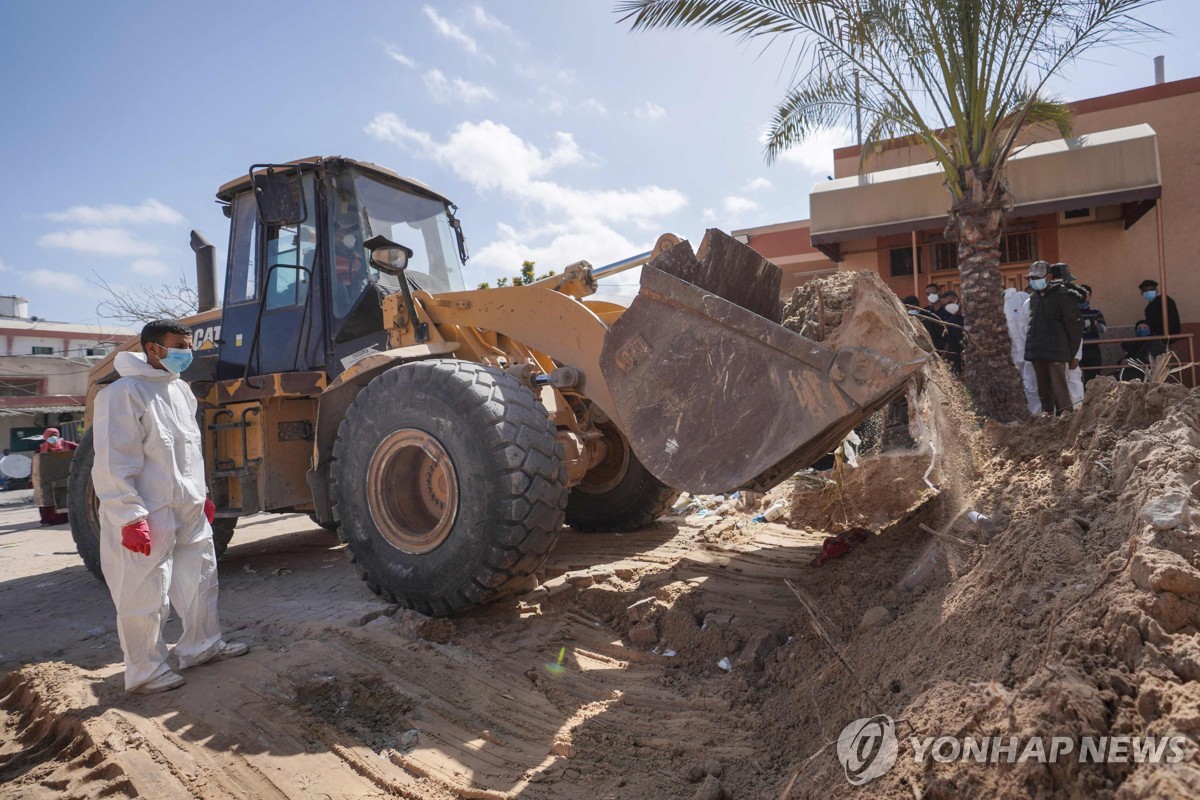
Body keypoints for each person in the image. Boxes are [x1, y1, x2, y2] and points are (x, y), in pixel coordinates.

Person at [92, 319, 247, 695]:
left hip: (188, 507)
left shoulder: (181, 392)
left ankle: (201, 645)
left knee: (200, 579)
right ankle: (145, 670)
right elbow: (115, 462)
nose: (185, 352)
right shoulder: (122, 394)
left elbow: (190, 453)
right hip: (150, 510)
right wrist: (129, 516)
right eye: (178, 345)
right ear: (152, 349)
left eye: (187, 345)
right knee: (144, 590)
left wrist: (203, 494)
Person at [1024, 260, 1083, 416]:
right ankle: (1048, 424)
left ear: (1049, 276)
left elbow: (1074, 328)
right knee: (1044, 394)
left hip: (1057, 353)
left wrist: (1072, 355)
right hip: (1038, 354)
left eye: (1037, 278)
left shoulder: (1063, 296)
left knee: (1061, 394)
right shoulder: (1034, 298)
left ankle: (1066, 423)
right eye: (1032, 278)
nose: (1034, 282)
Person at [1004, 286, 1040, 414]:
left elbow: (1027, 321)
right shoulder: (994, 306)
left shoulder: (1020, 297)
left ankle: (1037, 414)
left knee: (1033, 385)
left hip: (1030, 350)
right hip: (1013, 356)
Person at [36, 427, 76, 525]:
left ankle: (65, 518)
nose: (53, 437)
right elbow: (36, 464)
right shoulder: (41, 448)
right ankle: (48, 520)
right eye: (50, 435)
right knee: (48, 499)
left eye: (55, 435)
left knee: (64, 496)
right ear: (45, 436)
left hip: (63, 476)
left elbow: (80, 451)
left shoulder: (67, 445)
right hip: (47, 479)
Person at [1076, 284, 1107, 385]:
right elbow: (1073, 328)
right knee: (1076, 378)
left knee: (1093, 379)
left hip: (1093, 349)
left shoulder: (1096, 312)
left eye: (1086, 294)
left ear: (1090, 296)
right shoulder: (1072, 312)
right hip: (1076, 349)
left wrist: (1084, 325)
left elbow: (1102, 329)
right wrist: (1091, 323)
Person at [935, 290, 964, 374]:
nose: (948, 306)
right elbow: (948, 345)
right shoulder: (950, 323)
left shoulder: (971, 318)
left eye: (950, 302)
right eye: (945, 305)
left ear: (958, 300)